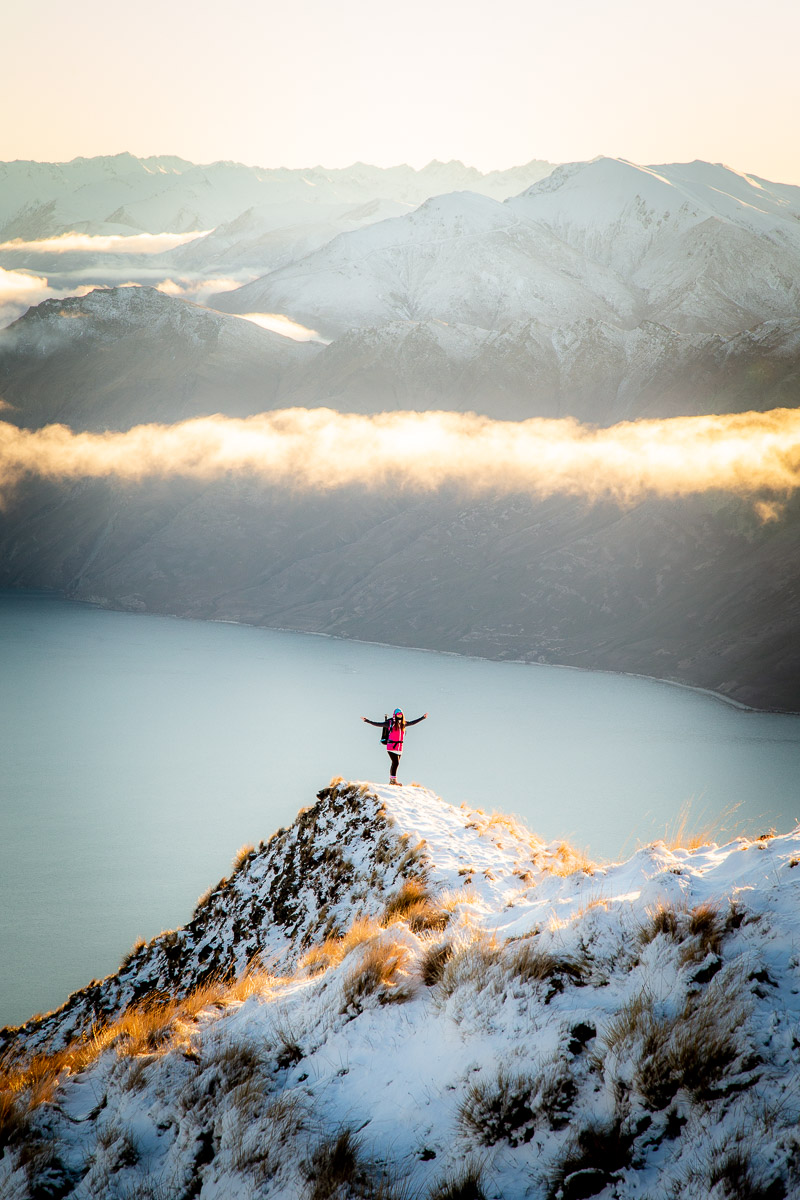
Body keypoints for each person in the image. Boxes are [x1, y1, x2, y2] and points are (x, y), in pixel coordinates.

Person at [362, 708, 428, 785]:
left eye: (400, 714)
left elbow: (413, 722)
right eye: (398, 714)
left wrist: (422, 718)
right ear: (395, 715)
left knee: (395, 763)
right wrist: (367, 721)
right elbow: (378, 724)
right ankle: (393, 781)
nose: (399, 715)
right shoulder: (390, 723)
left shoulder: (403, 723)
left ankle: (392, 780)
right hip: (391, 746)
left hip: (399, 748)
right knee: (396, 763)